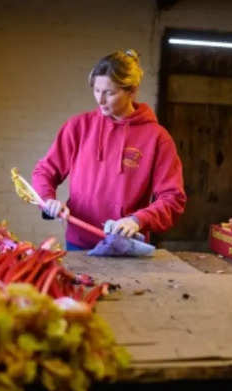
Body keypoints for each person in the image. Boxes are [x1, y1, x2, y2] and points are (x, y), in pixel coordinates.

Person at [32, 49, 186, 250]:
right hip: (79, 244)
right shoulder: (78, 127)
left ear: (132, 91)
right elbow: (44, 172)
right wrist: (48, 200)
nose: (100, 100)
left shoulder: (157, 138)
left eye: (109, 93)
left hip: (127, 246)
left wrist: (138, 220)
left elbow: (173, 198)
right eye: (97, 90)